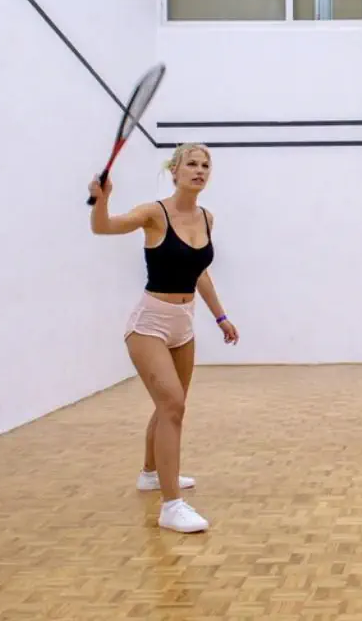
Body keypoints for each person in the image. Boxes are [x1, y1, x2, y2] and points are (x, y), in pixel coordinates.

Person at [88, 142, 239, 533]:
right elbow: (103, 227)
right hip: (149, 325)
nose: (200, 170)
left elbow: (199, 271)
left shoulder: (206, 218)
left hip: (183, 325)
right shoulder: (154, 213)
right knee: (172, 404)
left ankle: (151, 474)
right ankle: (171, 507)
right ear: (174, 171)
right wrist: (101, 200)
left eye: (205, 165)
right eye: (192, 163)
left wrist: (220, 316)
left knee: (169, 406)